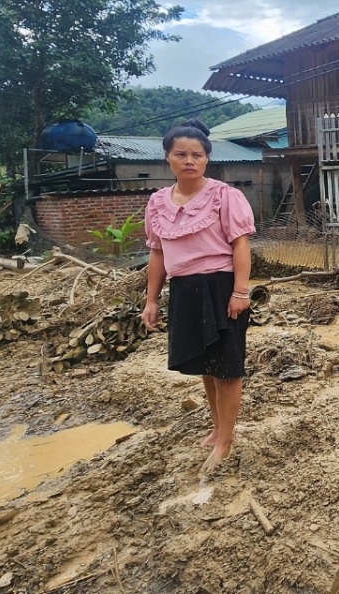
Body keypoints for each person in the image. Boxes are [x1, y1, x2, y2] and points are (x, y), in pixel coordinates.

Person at [141, 118, 256, 474]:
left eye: (197, 154)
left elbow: (240, 245)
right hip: (185, 291)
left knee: (227, 368)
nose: (189, 160)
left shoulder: (225, 196)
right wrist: (152, 299)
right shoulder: (158, 202)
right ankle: (217, 427)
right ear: (168, 158)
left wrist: (240, 291)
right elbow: (157, 253)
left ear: (206, 159)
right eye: (181, 154)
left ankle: (226, 439)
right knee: (206, 365)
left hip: (220, 287)